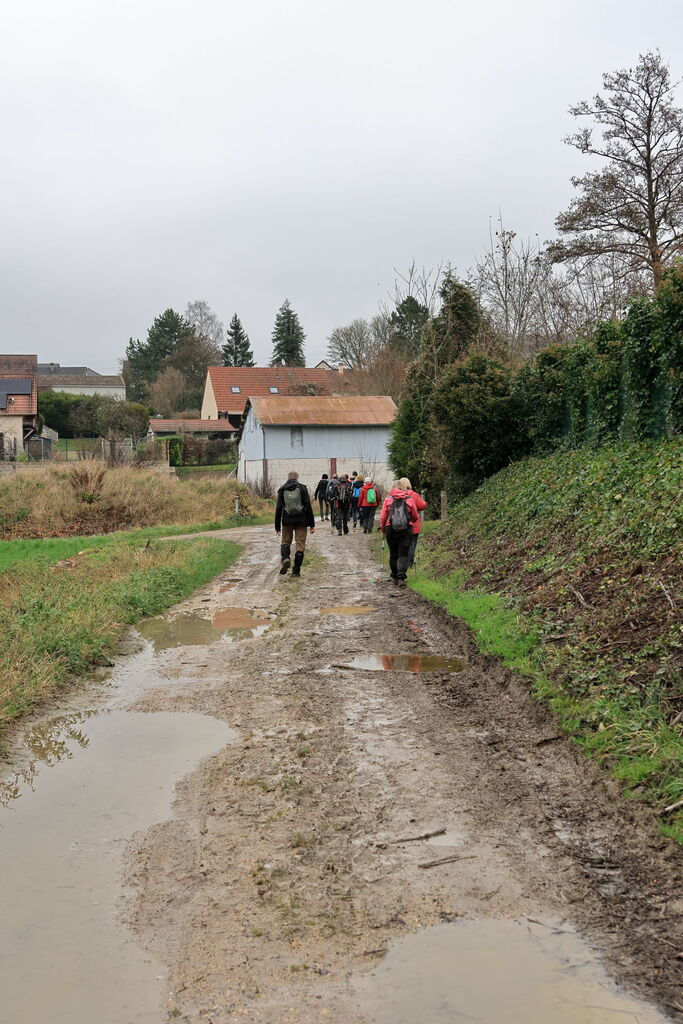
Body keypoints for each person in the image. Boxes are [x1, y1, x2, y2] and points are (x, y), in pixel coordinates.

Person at [275, 471, 315, 577]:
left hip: (287, 521)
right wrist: (312, 525)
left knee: (285, 542)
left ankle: (285, 558)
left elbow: (278, 508)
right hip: (301, 521)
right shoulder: (302, 488)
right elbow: (308, 506)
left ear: (288, 478)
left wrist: (277, 525)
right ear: (297, 478)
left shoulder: (282, 489)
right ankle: (296, 571)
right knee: (300, 546)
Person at [379, 483, 420, 587]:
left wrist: (383, 528)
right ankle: (401, 577)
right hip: (406, 529)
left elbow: (383, 517)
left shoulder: (388, 499)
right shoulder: (409, 499)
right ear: (404, 489)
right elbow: (415, 516)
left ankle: (394, 576)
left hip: (390, 528)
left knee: (393, 553)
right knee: (403, 553)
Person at [397, 476, 427, 567]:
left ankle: (400, 563)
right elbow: (422, 506)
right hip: (413, 524)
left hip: (399, 524)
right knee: (412, 544)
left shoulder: (396, 495)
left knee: (401, 544)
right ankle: (409, 564)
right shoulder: (414, 495)